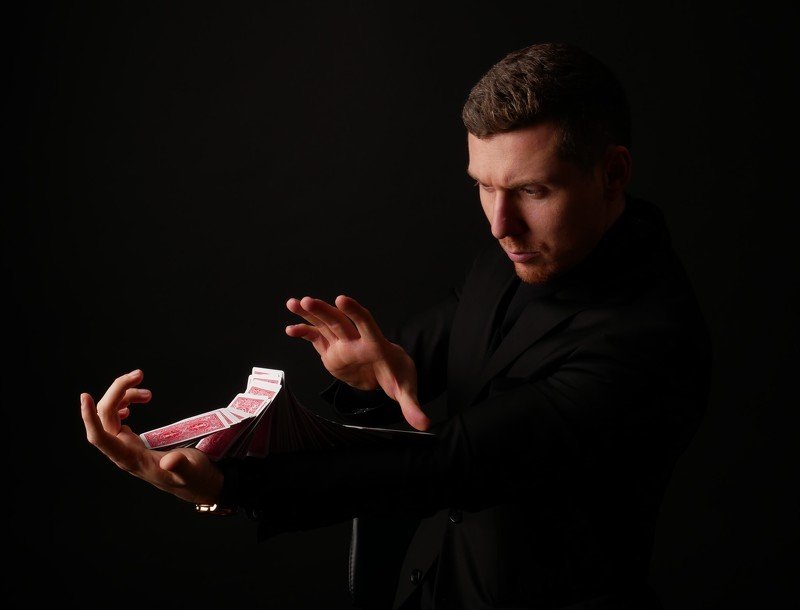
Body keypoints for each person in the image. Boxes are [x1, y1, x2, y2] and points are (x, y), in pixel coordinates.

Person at [81, 42, 712, 609]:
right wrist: (385, 370)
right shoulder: (519, 253)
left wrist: (229, 486)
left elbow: (449, 466)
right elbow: (420, 356)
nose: (500, 225)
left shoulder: (646, 339)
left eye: (533, 191)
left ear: (613, 174)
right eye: (484, 187)